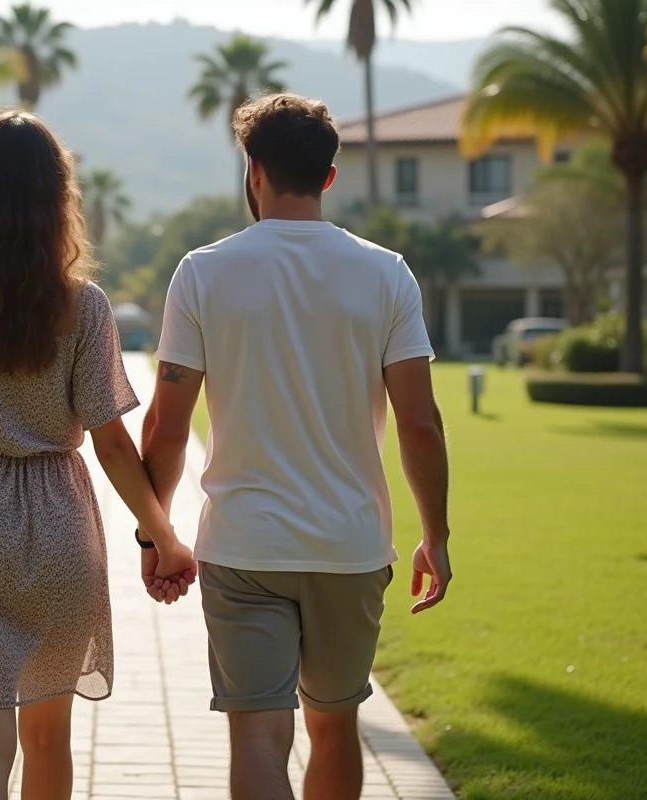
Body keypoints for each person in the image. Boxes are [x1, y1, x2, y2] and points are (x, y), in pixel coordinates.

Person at [0, 111, 197, 800]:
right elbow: (112, 442)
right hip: (61, 524)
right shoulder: (86, 308)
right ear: (58, 199)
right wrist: (164, 536)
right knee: (49, 739)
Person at [140, 93, 454, 800]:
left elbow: (164, 425)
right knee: (335, 728)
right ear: (329, 177)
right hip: (349, 546)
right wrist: (436, 534)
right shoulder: (387, 273)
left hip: (243, 546)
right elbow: (421, 422)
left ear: (252, 171)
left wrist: (155, 534)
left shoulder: (202, 271)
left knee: (257, 734)